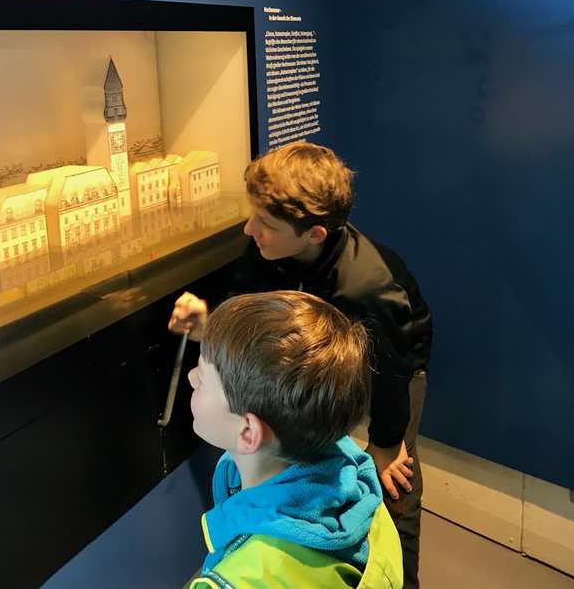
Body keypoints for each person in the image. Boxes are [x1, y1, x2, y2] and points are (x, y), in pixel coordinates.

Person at [170, 142, 432, 588]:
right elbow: (247, 311)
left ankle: (396, 574)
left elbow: (393, 368)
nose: (250, 229)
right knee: (301, 451)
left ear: (314, 235)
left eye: (266, 224)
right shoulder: (266, 246)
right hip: (305, 359)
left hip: (386, 364)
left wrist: (388, 443)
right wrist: (211, 327)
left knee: (393, 481)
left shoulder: (368, 287)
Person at [185, 291, 402, 588]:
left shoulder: (236, 582)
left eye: (203, 379)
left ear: (248, 432)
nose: (191, 378)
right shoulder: (361, 492)